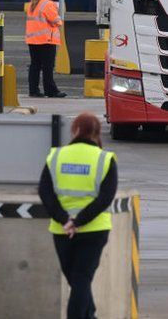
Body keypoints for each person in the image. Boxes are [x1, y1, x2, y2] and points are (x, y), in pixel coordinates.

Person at [38, 112, 117, 319]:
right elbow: (105, 198)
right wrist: (78, 221)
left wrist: (65, 220)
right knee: (80, 279)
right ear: (97, 133)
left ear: (74, 130)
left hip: (61, 230)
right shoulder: (105, 159)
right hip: (94, 230)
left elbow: (45, 192)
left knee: (77, 279)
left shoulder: (55, 156)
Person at [26, 0, 66, 98]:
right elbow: (56, 21)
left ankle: (33, 90)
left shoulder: (32, 4)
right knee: (48, 67)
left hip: (33, 40)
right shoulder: (48, 4)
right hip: (46, 40)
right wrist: (59, 20)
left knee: (35, 66)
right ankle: (51, 91)